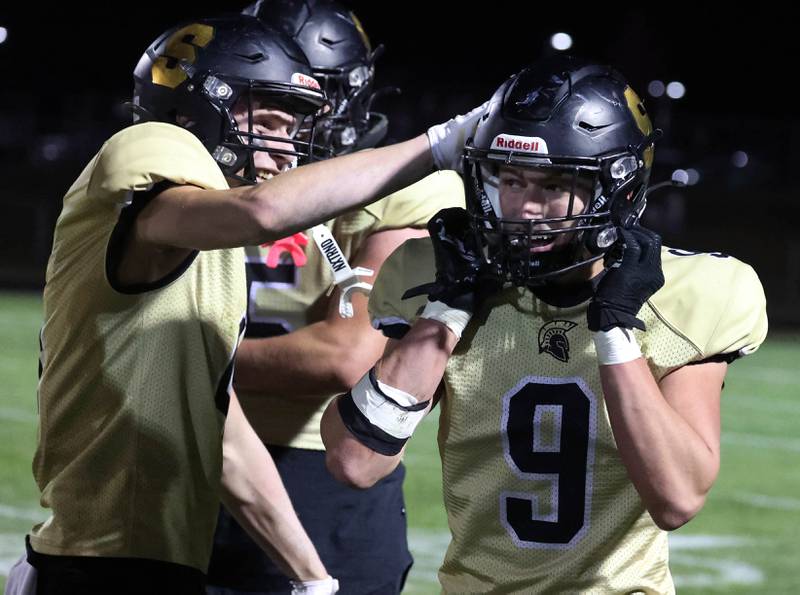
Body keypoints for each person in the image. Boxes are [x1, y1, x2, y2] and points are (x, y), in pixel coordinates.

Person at [22, 12, 482, 595]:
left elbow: (221, 425)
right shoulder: (149, 148)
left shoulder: (204, 244)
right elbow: (262, 211)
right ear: (197, 107)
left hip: (155, 556)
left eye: (293, 129)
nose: (283, 149)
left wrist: (311, 577)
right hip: (102, 561)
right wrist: (441, 142)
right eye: (267, 120)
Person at [320, 56, 768, 593]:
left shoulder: (684, 294)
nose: (525, 208)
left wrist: (615, 328)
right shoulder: (436, 276)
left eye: (553, 185)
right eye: (510, 179)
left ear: (617, 188)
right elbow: (355, 461)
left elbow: (678, 497)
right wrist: (444, 310)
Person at [206, 2, 464, 593]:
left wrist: (182, 361)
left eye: (307, 96)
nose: (293, 114)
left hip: (314, 467)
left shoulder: (403, 190)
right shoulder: (194, 169)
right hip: (189, 450)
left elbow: (346, 356)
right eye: (264, 96)